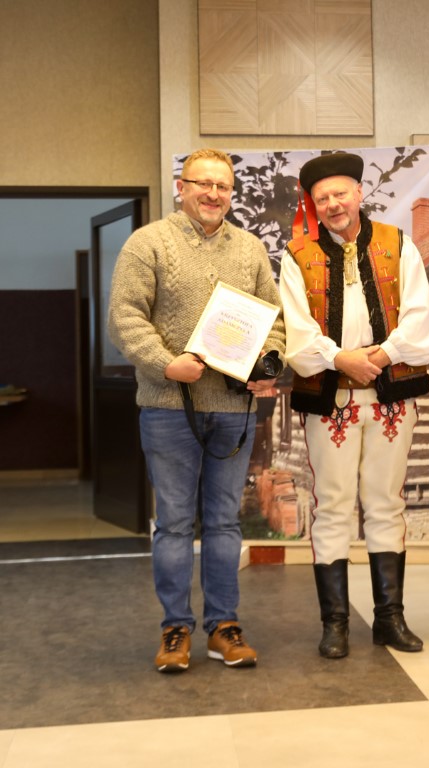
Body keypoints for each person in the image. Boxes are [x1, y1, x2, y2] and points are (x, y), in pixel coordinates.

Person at [108, 148, 286, 673]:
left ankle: (224, 626)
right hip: (168, 407)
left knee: (226, 523)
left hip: (233, 408)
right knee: (174, 524)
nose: (213, 194)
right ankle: (175, 628)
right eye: (203, 183)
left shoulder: (250, 248)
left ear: (231, 193)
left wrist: (267, 363)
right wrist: (166, 364)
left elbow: (272, 320)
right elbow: (124, 317)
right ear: (180, 187)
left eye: (223, 186)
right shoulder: (148, 243)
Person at [279, 152, 429, 658]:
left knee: (386, 503)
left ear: (359, 194)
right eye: (322, 198)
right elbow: (298, 334)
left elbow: (420, 317)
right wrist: (340, 358)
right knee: (332, 507)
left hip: (390, 399)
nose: (333, 204)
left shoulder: (398, 243)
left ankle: (390, 619)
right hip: (332, 402)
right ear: (314, 204)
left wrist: (383, 356)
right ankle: (336, 624)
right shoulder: (296, 255)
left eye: (340, 193)